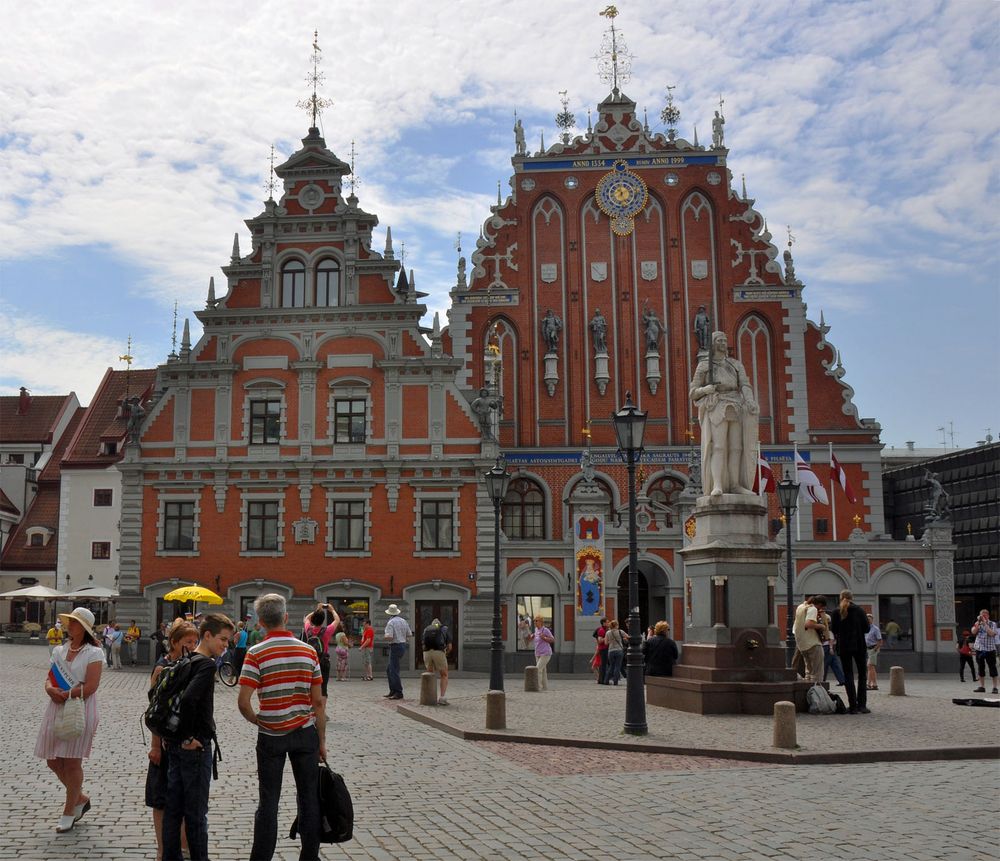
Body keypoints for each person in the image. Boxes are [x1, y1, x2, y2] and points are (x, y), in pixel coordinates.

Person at [238, 593, 325, 861]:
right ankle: (309, 856)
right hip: (305, 734)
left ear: (261, 622)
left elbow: (243, 702)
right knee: (309, 799)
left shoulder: (256, 653)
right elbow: (318, 702)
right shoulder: (308, 651)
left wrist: (258, 719)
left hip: (271, 736)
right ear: (286, 617)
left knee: (268, 803)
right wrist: (321, 741)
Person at [161, 613, 234, 861]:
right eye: (223, 639)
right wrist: (188, 737)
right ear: (207, 635)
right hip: (195, 748)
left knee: (174, 809)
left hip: (175, 746)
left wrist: (175, 737)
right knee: (195, 813)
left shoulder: (187, 659)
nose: (226, 645)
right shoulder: (205, 664)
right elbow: (191, 699)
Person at [34, 606, 105, 833]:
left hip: (80, 708)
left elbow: (92, 686)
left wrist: (66, 694)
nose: (69, 625)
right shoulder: (60, 650)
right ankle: (80, 798)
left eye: (74, 622)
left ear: (84, 628)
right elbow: (50, 677)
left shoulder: (94, 653)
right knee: (53, 760)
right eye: (70, 621)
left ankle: (68, 811)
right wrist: (49, 689)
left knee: (72, 762)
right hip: (57, 706)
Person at [146, 621, 198, 861]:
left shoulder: (195, 666)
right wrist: (156, 745)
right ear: (174, 642)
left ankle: (184, 846)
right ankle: (162, 847)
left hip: (188, 743)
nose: (192, 645)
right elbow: (156, 712)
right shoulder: (162, 668)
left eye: (195, 641)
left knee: (187, 797)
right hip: (166, 742)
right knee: (161, 798)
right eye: (188, 642)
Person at [689, 330, 759, 497]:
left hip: (736, 404)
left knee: (736, 447)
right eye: (719, 340)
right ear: (713, 344)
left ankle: (735, 484)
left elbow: (745, 384)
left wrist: (749, 400)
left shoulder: (735, 364)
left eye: (724, 340)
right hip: (717, 404)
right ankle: (718, 484)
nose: (723, 343)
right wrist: (706, 389)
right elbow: (693, 392)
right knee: (719, 446)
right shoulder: (705, 365)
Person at [830, 590, 870, 714]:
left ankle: (852, 706)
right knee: (862, 675)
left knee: (848, 675)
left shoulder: (836, 612)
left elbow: (834, 629)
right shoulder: (860, 610)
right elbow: (867, 629)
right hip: (859, 646)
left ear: (840, 598)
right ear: (852, 598)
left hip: (844, 647)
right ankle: (862, 705)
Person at [302, 603, 338, 703]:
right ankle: (322, 711)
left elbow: (307, 619)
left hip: (311, 661)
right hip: (324, 661)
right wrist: (332, 609)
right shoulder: (327, 631)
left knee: (311, 685)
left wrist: (317, 610)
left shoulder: (308, 629)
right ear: (323, 620)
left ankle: (312, 709)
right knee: (323, 687)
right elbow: (337, 620)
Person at [794, 594, 827, 682]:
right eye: (821, 607)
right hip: (813, 643)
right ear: (819, 604)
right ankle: (817, 692)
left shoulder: (801, 607)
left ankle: (808, 691)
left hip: (802, 644)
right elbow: (808, 624)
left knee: (808, 672)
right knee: (817, 673)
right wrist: (821, 626)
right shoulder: (812, 609)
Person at [383, 603, 412, 700]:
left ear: (389, 613)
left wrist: (385, 637)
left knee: (393, 669)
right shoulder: (403, 621)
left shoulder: (390, 622)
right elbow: (409, 634)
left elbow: (390, 636)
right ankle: (393, 690)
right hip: (402, 645)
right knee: (390, 669)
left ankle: (398, 692)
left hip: (395, 646)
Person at [421, 618, 450, 704]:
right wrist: (446, 654)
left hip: (427, 652)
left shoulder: (426, 629)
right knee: (444, 674)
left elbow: (423, 644)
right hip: (439, 651)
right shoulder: (444, 629)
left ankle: (428, 698)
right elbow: (450, 646)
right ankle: (442, 698)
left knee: (430, 674)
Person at [971, 609, 999, 694]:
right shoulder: (977, 623)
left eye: (985, 615)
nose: (983, 617)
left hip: (990, 649)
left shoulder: (992, 624)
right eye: (981, 616)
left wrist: (985, 623)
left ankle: (995, 687)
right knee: (980, 668)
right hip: (979, 649)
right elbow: (973, 632)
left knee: (993, 668)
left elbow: (992, 634)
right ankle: (982, 687)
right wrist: (978, 624)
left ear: (988, 616)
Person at [526, 615, 554, 690]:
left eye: (536, 621)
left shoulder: (545, 630)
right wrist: (532, 636)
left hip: (546, 653)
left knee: (538, 669)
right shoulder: (536, 629)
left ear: (541, 622)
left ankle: (538, 687)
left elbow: (552, 640)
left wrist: (544, 638)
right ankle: (545, 687)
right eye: (534, 621)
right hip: (538, 653)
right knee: (543, 670)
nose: (535, 622)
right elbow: (535, 636)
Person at [604, 619, 626, 685]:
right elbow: (628, 637)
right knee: (617, 666)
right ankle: (615, 681)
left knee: (611, 666)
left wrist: (611, 641)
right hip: (619, 650)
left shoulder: (608, 632)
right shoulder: (620, 631)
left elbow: (606, 643)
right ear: (616, 625)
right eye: (618, 624)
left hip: (610, 651)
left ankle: (606, 680)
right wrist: (624, 639)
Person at [865, 614, 883, 691]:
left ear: (872, 620)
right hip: (867, 649)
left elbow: (880, 641)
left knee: (869, 666)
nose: (868, 620)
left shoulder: (875, 629)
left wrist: (875, 649)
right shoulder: (864, 628)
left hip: (873, 648)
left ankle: (868, 684)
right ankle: (875, 684)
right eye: (867, 619)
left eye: (869, 619)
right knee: (871, 667)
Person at [593, 617, 609, 684]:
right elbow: (599, 640)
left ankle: (601, 680)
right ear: (603, 623)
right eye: (607, 622)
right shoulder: (601, 630)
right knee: (603, 665)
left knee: (604, 665)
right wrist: (607, 637)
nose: (608, 623)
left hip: (605, 649)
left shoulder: (605, 629)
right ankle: (602, 680)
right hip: (603, 649)